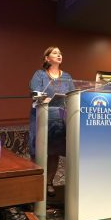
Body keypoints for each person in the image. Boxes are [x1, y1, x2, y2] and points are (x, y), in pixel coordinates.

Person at [29, 46, 74, 197]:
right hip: (41, 115)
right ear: (47, 58)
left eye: (60, 53)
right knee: (38, 152)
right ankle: (36, 183)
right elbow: (35, 92)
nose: (59, 55)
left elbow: (73, 95)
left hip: (59, 118)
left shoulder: (67, 76)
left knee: (54, 152)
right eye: (55, 53)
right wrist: (43, 98)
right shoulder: (40, 74)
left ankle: (49, 182)